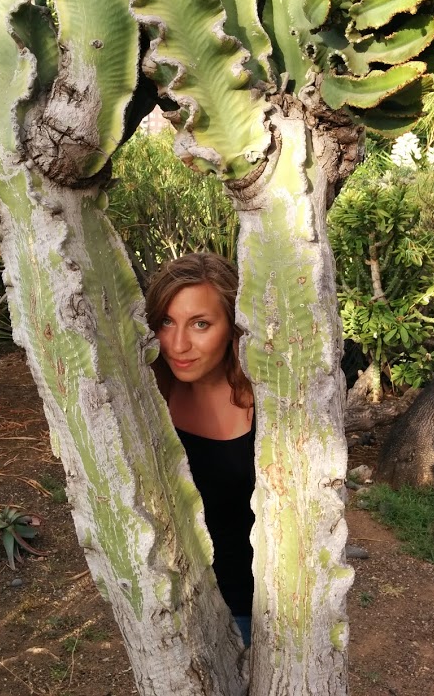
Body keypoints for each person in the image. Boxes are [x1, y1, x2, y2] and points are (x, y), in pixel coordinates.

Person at [145, 252, 255, 646]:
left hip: (254, 606)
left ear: (233, 328)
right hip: (174, 604)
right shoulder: (147, 402)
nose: (178, 344)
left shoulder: (272, 410)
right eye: (166, 322)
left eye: (201, 324)